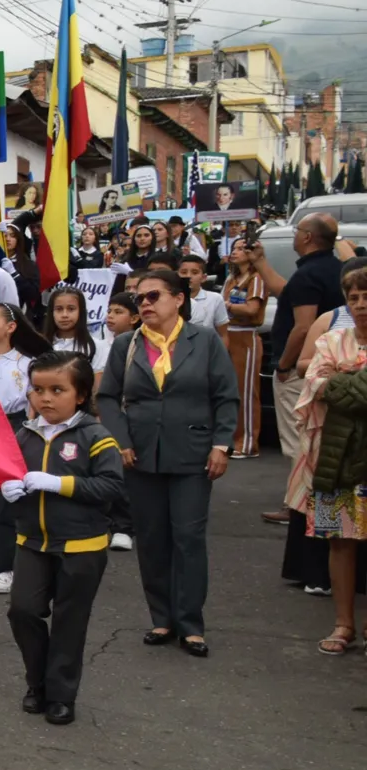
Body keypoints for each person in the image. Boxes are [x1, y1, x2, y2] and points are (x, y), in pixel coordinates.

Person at [98, 267, 239, 657]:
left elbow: (226, 396)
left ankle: (191, 624)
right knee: (153, 540)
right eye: (139, 298)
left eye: (153, 296)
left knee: (188, 538)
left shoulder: (205, 340)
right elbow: (107, 398)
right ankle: (161, 618)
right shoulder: (126, 344)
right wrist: (120, 440)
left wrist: (221, 445)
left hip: (193, 454)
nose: (144, 304)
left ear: (178, 299)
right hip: (140, 456)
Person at [1, 350, 124, 725]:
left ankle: (61, 694)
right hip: (32, 543)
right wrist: (3, 487)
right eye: (38, 389)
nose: (46, 398)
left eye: (58, 389)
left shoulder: (95, 436)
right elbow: (4, 473)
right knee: (22, 611)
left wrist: (60, 484)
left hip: (81, 546)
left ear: (81, 394)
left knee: (70, 622)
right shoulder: (24, 434)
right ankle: (36, 683)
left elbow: (111, 486)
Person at [286, 265, 367, 654]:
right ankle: (343, 625)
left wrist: (343, 382)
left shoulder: (335, 350)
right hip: (334, 459)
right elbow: (315, 383)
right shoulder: (333, 339)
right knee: (339, 541)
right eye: (354, 299)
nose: (361, 305)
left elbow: (330, 385)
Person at [0, 303, 49, 595]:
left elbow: (33, 405)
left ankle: (4, 567)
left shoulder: (27, 364)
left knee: (8, 500)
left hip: (14, 429)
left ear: (10, 327)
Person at [271, 214, 345, 470]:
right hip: (330, 364)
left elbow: (303, 327)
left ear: (308, 237)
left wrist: (284, 365)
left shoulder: (308, 275)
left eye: (297, 230)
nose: (295, 235)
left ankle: (296, 506)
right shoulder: (338, 270)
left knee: (297, 438)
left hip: (300, 369)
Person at [222, 236, 268, 459]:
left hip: (246, 336)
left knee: (246, 391)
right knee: (229, 390)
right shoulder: (231, 278)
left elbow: (251, 309)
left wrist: (229, 305)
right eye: (234, 248)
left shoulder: (256, 278)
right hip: (229, 334)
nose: (236, 251)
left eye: (241, 248)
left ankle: (248, 442)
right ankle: (231, 438)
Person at [177, 255, 228, 336]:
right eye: (183, 272)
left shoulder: (215, 299)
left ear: (203, 277)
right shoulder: (171, 299)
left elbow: (223, 335)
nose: (188, 276)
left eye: (194, 273)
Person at [44, 283, 94, 361]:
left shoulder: (95, 347)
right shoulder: (39, 346)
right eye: (59, 309)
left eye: (71, 309)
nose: (64, 315)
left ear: (81, 311)